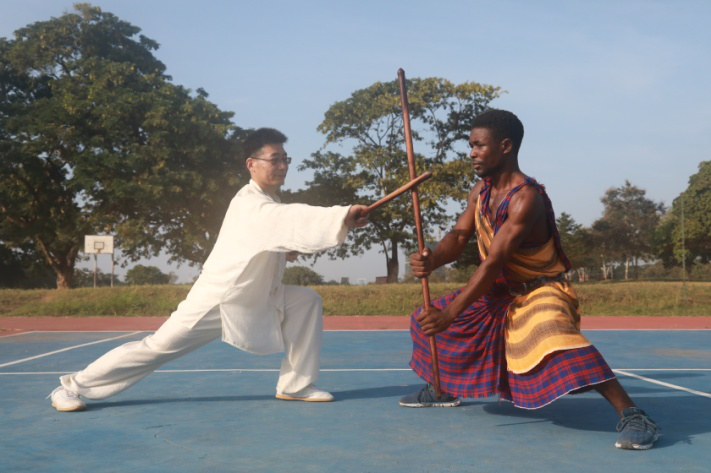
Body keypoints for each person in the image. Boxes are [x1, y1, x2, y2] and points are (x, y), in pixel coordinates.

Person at [49, 128, 368, 411]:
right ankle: (71, 386)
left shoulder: (270, 201)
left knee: (305, 301)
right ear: (252, 164)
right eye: (275, 159)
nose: (283, 166)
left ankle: (295, 385)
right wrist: (342, 214)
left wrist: (287, 250)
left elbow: (274, 234)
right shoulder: (250, 202)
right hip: (220, 297)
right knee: (157, 348)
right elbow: (290, 220)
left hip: (255, 294)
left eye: (286, 159)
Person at [399, 110, 660, 450]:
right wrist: (432, 258)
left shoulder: (526, 198)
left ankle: (634, 415)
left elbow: (493, 262)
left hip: (539, 290)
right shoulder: (479, 191)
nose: (472, 153)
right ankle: (441, 388)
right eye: (470, 146)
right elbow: (459, 236)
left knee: (554, 337)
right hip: (499, 292)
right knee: (425, 321)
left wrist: (449, 314)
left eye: (479, 145)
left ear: (505, 146)